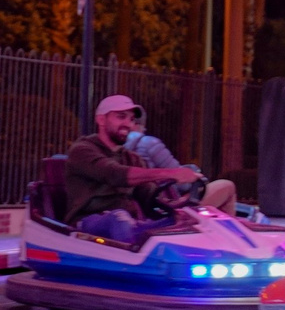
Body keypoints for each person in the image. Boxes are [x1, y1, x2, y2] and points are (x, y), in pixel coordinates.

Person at [61, 94, 232, 243]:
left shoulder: (132, 158)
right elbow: (115, 174)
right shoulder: (83, 150)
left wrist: (179, 206)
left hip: (129, 224)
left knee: (188, 219)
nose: (128, 124)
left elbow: (149, 198)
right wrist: (172, 173)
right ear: (101, 119)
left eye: (131, 119)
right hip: (87, 223)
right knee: (118, 219)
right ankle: (134, 262)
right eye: (121, 117)